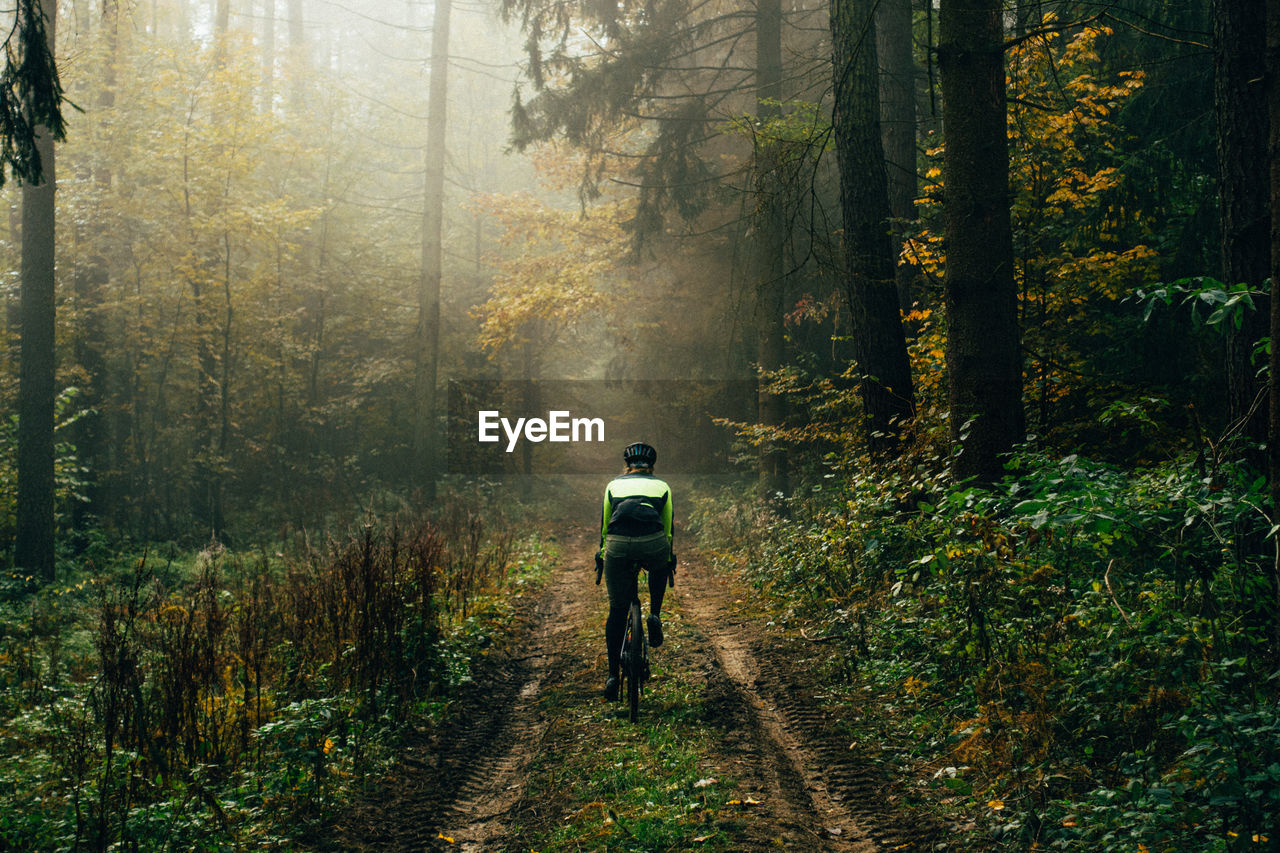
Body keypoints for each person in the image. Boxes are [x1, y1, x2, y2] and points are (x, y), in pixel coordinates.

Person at [595, 441, 674, 700]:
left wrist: (602, 554)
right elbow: (668, 528)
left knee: (617, 610)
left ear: (627, 465)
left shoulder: (613, 486)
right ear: (651, 466)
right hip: (653, 543)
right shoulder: (662, 487)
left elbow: (606, 528)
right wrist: (667, 556)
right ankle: (654, 615)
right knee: (660, 564)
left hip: (618, 546)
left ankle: (612, 676)